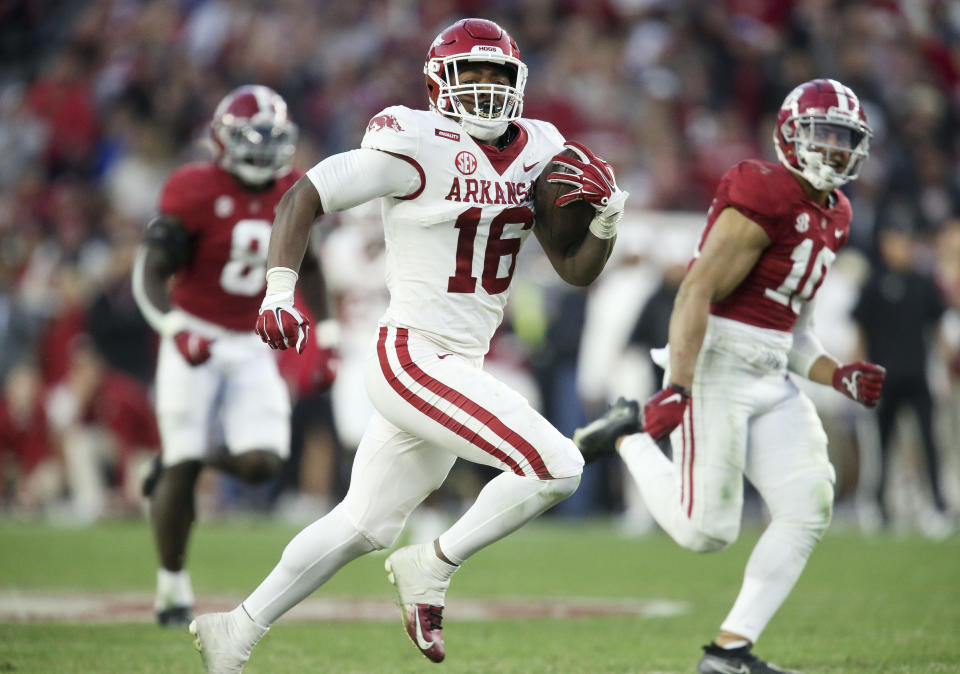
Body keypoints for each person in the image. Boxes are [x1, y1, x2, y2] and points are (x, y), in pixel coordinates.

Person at [188, 17, 626, 672]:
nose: (484, 86)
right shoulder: (415, 140)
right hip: (413, 355)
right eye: (469, 73)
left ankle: (237, 629)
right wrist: (280, 291)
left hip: (456, 362)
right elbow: (304, 193)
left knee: (363, 524)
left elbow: (573, 267)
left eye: (496, 73)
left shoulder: (543, 147)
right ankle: (432, 565)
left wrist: (607, 222)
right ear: (436, 84)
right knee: (557, 466)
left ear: (519, 82)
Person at [574, 79, 886, 674]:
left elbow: (791, 331)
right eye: (824, 133)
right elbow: (696, 289)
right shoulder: (764, 189)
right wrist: (678, 388)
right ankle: (629, 435)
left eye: (846, 139)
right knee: (705, 533)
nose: (836, 149)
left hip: (771, 374)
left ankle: (730, 651)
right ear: (791, 135)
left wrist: (836, 374)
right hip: (715, 364)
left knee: (808, 504)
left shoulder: (838, 213)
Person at [132, 84, 339, 627]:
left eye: (275, 140)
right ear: (223, 141)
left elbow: (311, 268)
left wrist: (330, 340)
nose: (265, 152)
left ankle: (186, 462)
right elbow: (150, 272)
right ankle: (172, 586)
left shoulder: (291, 188)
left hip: (250, 341)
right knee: (181, 456)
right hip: (194, 332)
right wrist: (176, 327)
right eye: (254, 140)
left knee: (263, 462)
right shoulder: (193, 187)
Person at [852, 224, 950, 536]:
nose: (903, 249)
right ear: (885, 246)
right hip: (883, 380)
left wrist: (944, 370)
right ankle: (878, 508)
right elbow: (861, 331)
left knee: (929, 444)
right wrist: (859, 373)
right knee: (881, 445)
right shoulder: (873, 284)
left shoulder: (923, 283)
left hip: (918, 376)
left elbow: (938, 329)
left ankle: (937, 507)